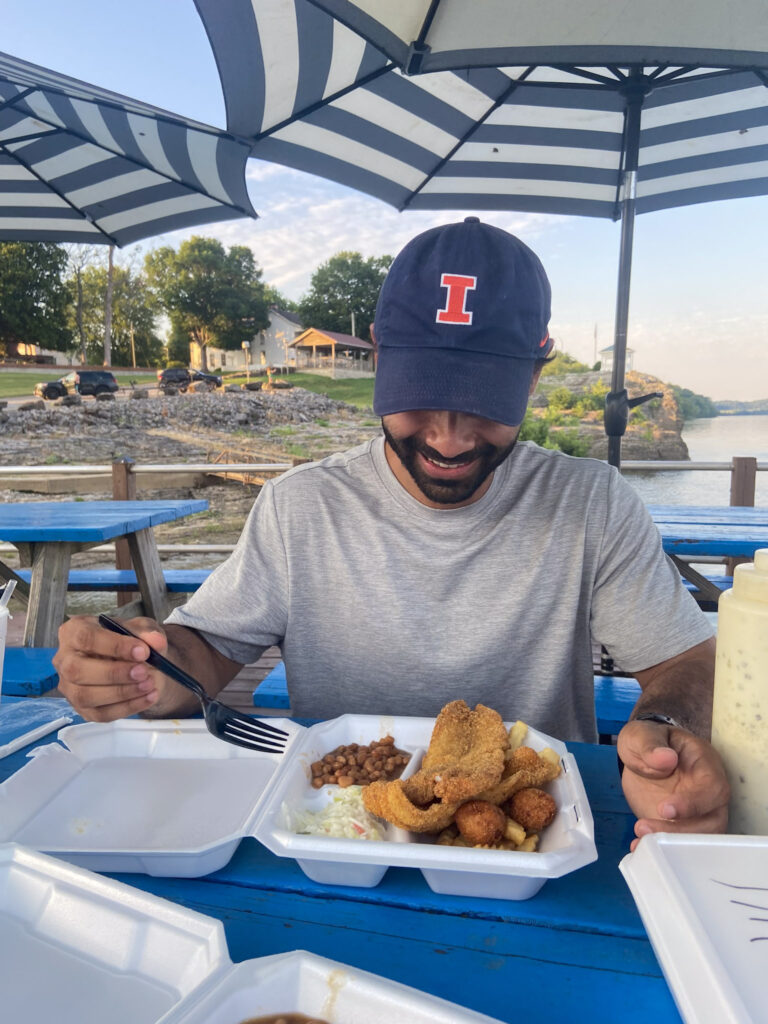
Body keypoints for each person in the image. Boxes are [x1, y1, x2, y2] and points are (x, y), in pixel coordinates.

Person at [54, 217, 729, 848]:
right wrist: (144, 674)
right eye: (421, 391)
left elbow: (686, 662)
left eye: (484, 401)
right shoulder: (300, 508)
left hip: (538, 854)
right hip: (336, 840)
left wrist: (664, 734)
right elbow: (206, 653)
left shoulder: (593, 504)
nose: (448, 436)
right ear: (379, 355)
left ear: (535, 371)